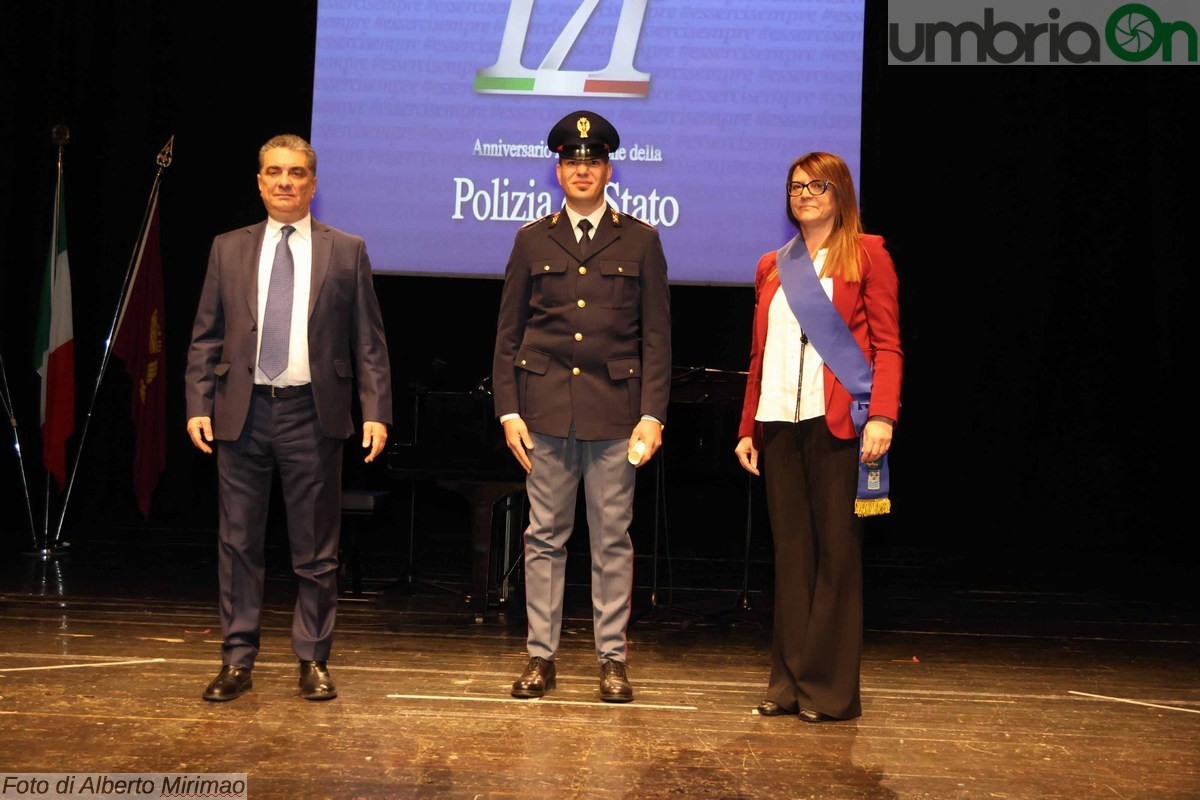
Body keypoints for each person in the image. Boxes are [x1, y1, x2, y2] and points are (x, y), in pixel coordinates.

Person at [185, 133, 392, 702]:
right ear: (258, 181)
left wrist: (376, 411)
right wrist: (197, 403)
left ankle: (313, 658)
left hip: (311, 412)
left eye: (296, 173)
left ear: (313, 183)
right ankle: (237, 659)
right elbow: (205, 335)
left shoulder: (346, 250)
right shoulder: (227, 247)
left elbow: (369, 342)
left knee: (317, 548)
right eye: (274, 172)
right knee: (238, 544)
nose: (285, 182)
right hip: (241, 412)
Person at [492, 110, 672, 703]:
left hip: (617, 414)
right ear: (559, 169)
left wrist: (653, 414)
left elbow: (656, 340)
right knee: (543, 538)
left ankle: (612, 660)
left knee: (612, 539)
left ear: (608, 169)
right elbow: (509, 334)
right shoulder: (530, 239)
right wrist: (509, 411)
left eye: (592, 161)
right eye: (572, 162)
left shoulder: (642, 240)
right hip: (543, 413)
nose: (582, 170)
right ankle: (540, 657)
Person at [734, 151, 902, 723]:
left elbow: (887, 346)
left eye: (817, 185)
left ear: (841, 193)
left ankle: (828, 691)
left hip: (840, 425)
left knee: (836, 557)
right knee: (791, 558)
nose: (804, 194)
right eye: (795, 186)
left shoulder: (868, 253)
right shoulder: (771, 265)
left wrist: (881, 415)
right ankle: (788, 684)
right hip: (780, 423)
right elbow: (759, 356)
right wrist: (747, 428)